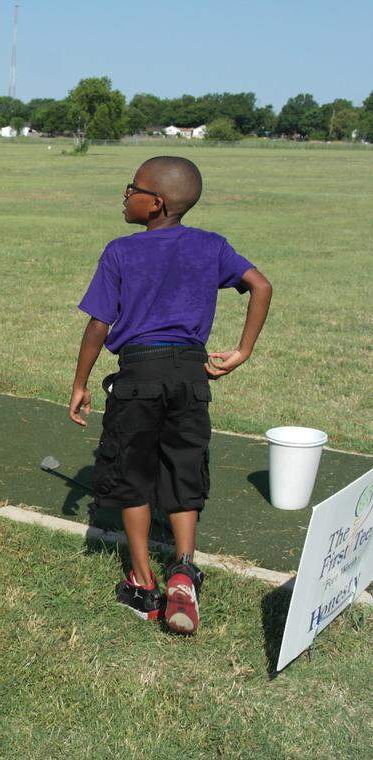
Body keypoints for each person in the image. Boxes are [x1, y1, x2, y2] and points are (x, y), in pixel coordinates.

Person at [68, 156, 272, 634]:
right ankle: (184, 568)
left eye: (131, 188)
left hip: (138, 374)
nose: (125, 195)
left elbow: (99, 324)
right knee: (184, 469)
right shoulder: (211, 245)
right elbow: (260, 285)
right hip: (191, 376)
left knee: (131, 474)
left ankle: (143, 583)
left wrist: (80, 383)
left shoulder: (120, 251)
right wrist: (242, 350)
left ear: (154, 202)